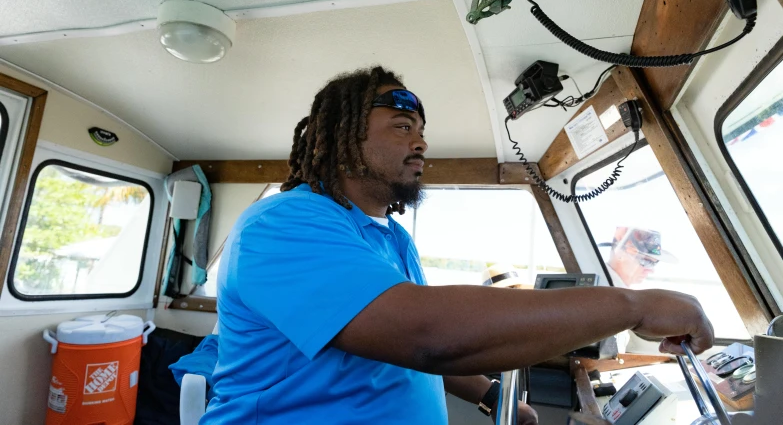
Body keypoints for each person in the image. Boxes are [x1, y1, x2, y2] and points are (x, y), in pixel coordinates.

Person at [202, 66, 713, 424]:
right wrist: (632, 306)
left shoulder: (391, 238)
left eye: (421, 129)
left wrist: (489, 393)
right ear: (343, 138)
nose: (421, 142)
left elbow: (402, 348)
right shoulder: (283, 225)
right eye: (402, 127)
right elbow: (429, 335)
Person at [604, 227, 678, 288]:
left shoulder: (618, 290)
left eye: (654, 263)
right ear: (620, 253)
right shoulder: (604, 286)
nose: (650, 271)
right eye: (646, 261)